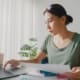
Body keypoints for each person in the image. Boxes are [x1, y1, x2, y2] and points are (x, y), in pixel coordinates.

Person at [3, 3, 80, 80]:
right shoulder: (48, 39)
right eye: (45, 23)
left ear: (63, 19)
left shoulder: (78, 40)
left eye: (50, 21)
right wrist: (18, 62)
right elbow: (36, 60)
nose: (47, 27)